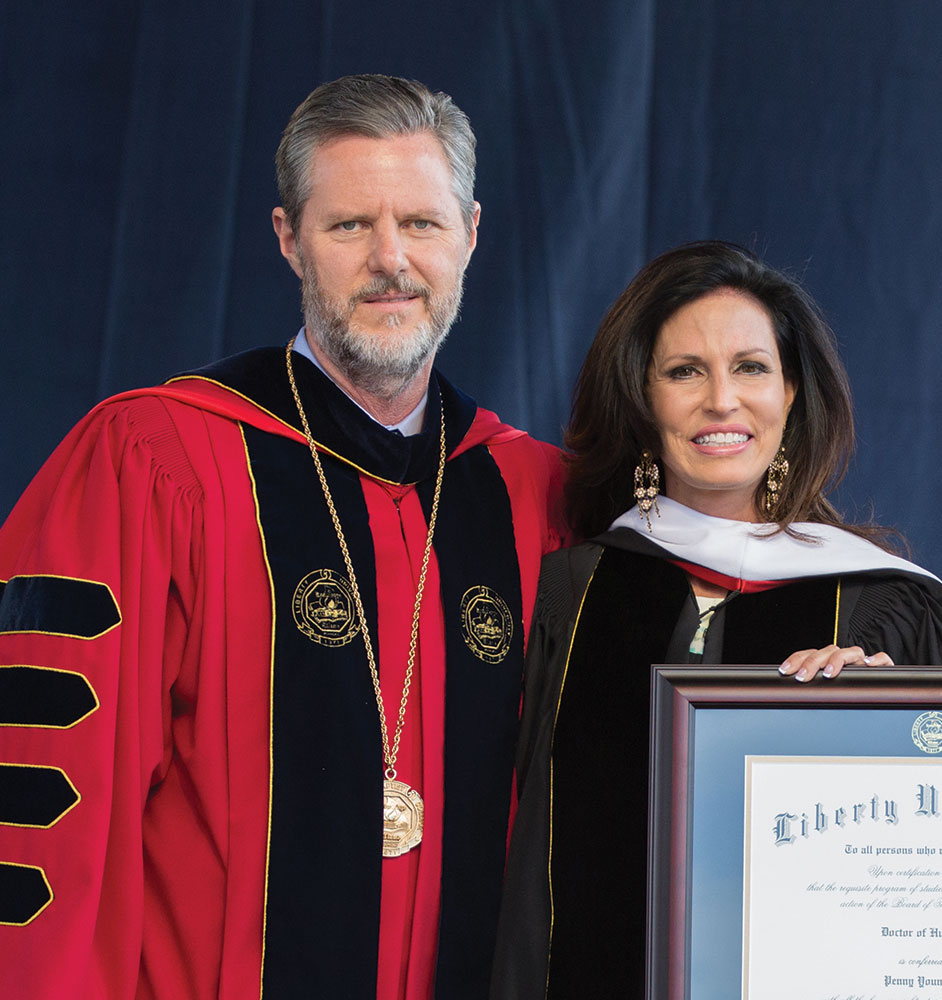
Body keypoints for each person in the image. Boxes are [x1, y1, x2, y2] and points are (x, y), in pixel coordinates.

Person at [0, 75, 566, 998]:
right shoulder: (157, 461)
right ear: (288, 240)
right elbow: (45, 808)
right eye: (350, 226)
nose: (391, 259)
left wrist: (841, 678)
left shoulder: (529, 493)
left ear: (469, 233)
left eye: (420, 224)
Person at [490, 240, 942, 998]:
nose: (722, 400)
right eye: (685, 371)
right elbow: (521, 865)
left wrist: (905, 728)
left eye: (751, 367)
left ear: (791, 392)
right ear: (644, 398)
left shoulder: (885, 605)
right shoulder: (573, 589)